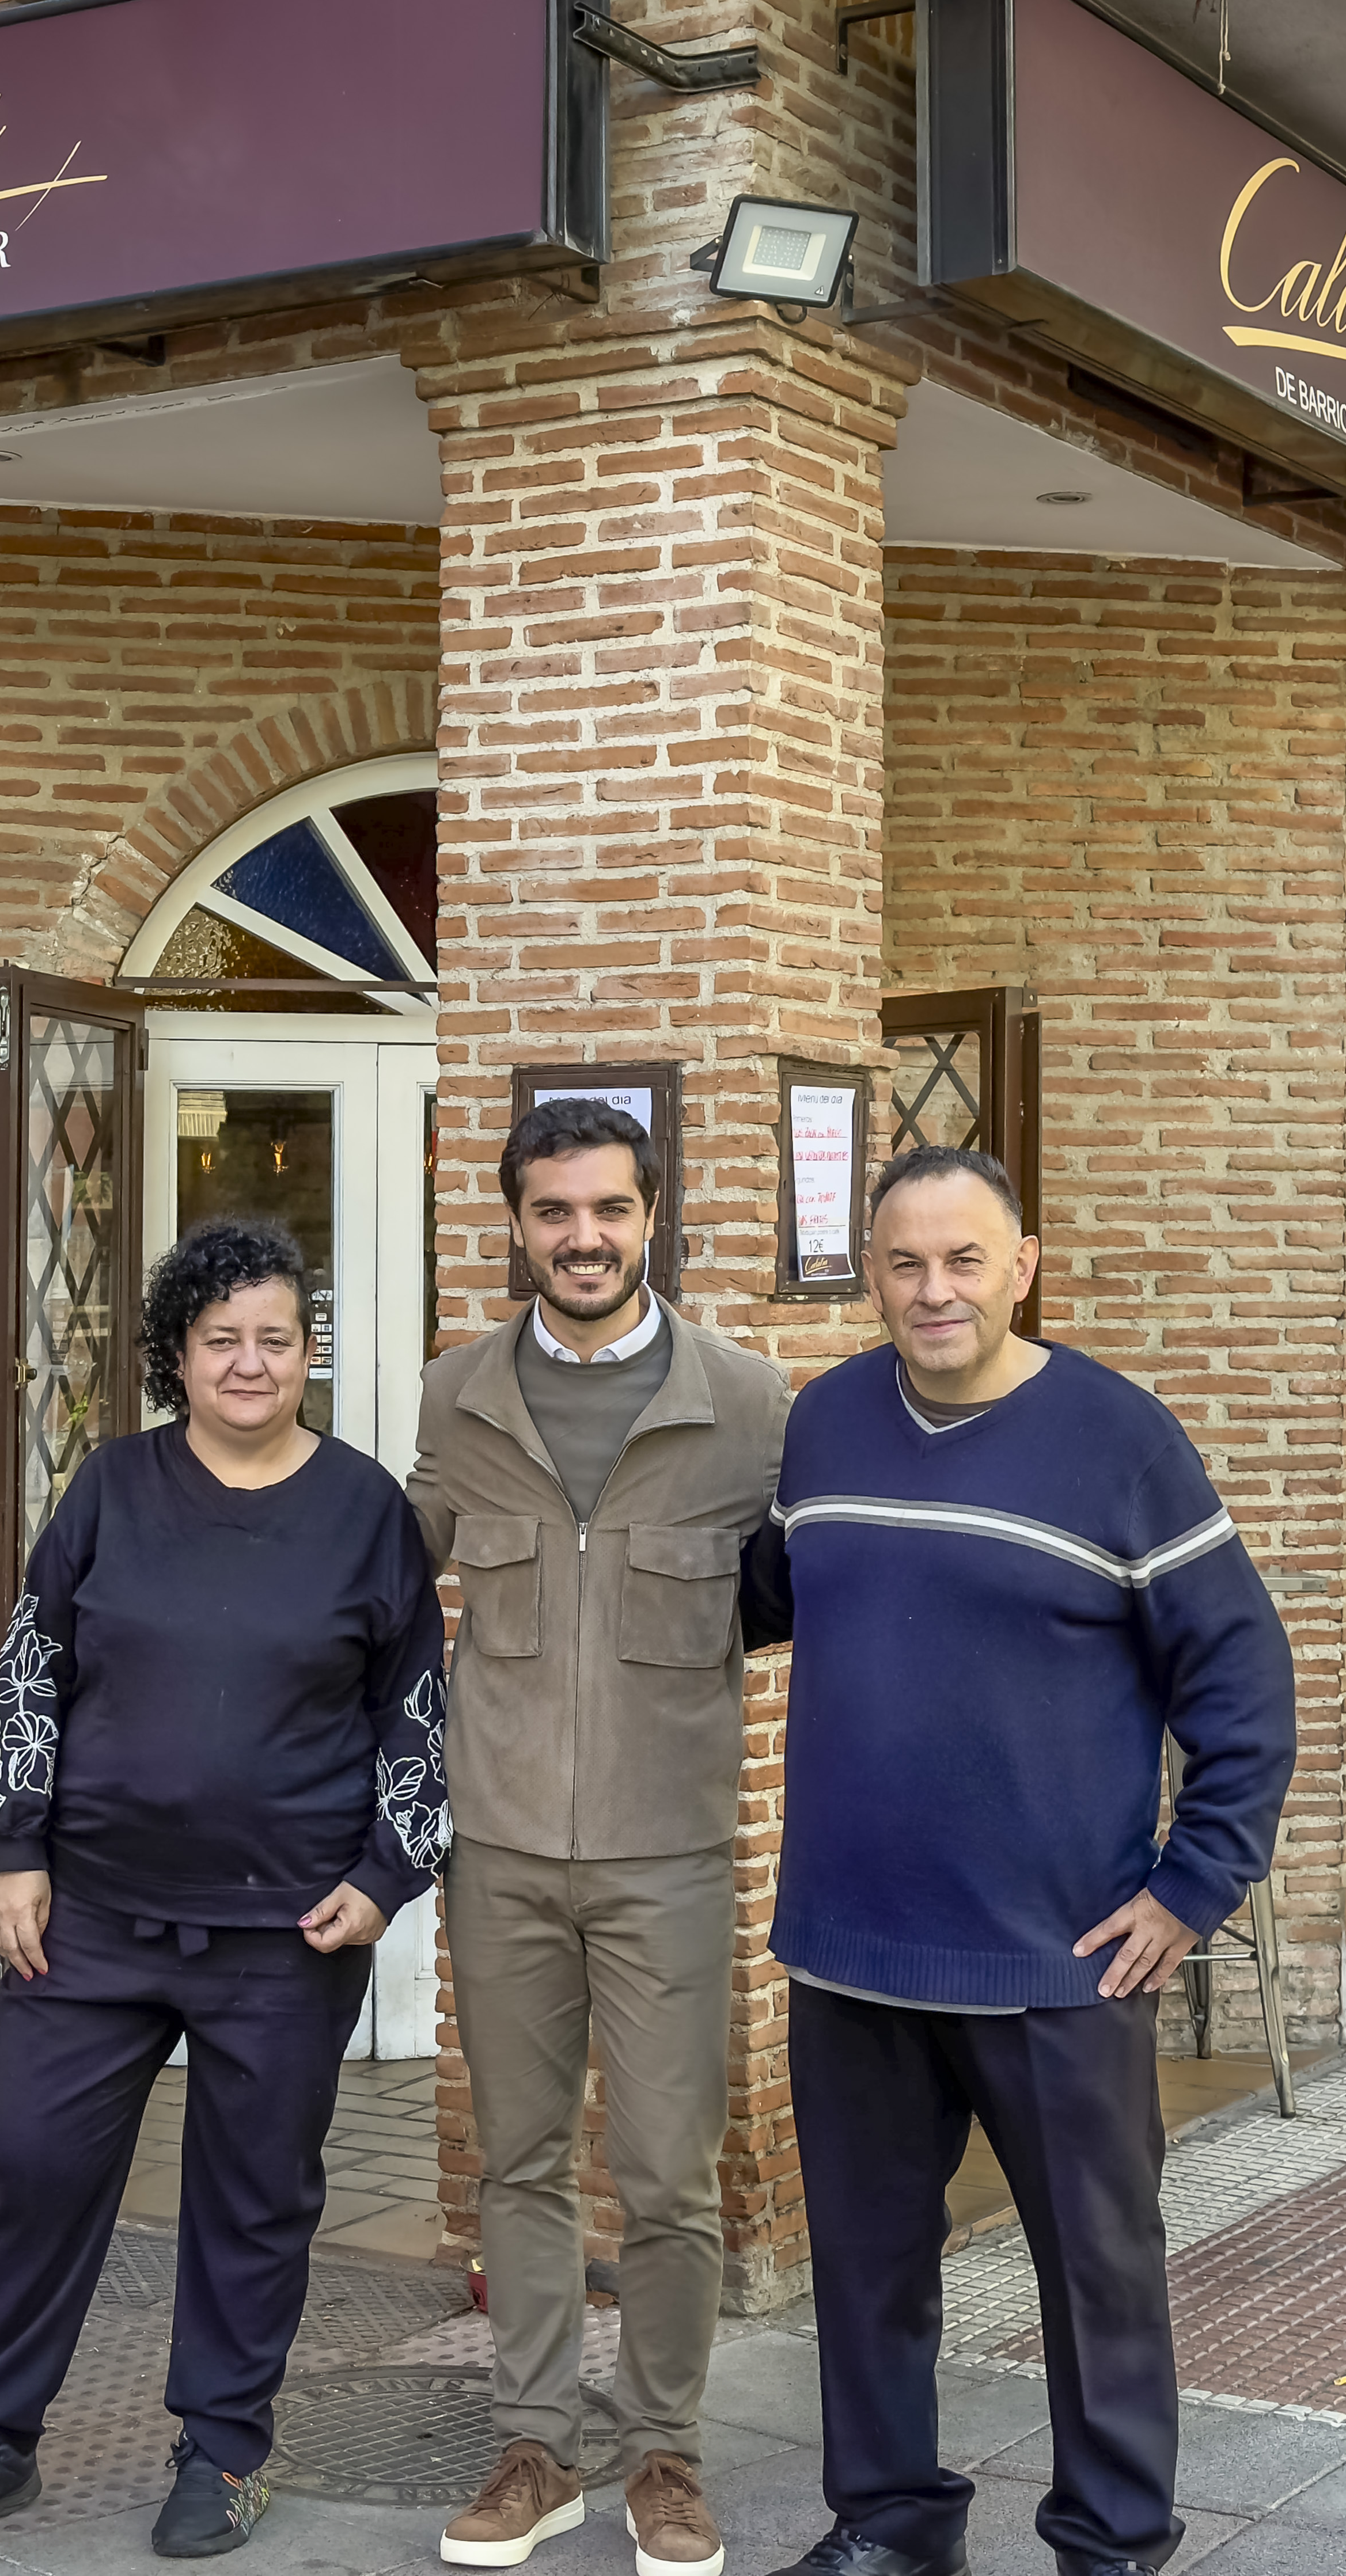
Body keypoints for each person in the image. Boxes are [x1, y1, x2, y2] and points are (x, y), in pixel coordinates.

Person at [740, 1145, 1296, 2576]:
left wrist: (1193, 1885)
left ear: (1023, 1265)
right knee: (866, 2270)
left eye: (963, 1260)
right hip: (850, 1946)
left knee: (1099, 2276)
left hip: (1057, 1955)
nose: (933, 1292)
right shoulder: (823, 1424)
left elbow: (1239, 1679)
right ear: (869, 1273)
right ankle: (889, 2525)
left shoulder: (1119, 1440)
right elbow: (754, 1598)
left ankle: (1110, 2543)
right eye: (904, 1264)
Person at [0, 1218, 452, 2559]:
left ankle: (224, 2448)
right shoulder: (111, 1491)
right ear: (176, 1358)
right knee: (27, 2166)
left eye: (275, 1339)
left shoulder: (365, 1507)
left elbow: (416, 1708)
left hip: (289, 1930)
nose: (249, 1364)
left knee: (253, 2194)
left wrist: (387, 1875)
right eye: (220, 1341)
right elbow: (32, 1671)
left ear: (308, 1353)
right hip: (90, 1916)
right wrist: (10, 1851)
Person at [405, 1097, 785, 2576]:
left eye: (609, 1210)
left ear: (652, 1219)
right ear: (514, 1224)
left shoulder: (752, 1405)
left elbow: (825, 1599)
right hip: (494, 1852)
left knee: (670, 2173)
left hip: (668, 1854)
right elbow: (378, 1604)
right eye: (553, 1212)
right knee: (517, 2159)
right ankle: (534, 2444)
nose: (583, 1238)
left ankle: (663, 2453)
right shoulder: (454, 1398)